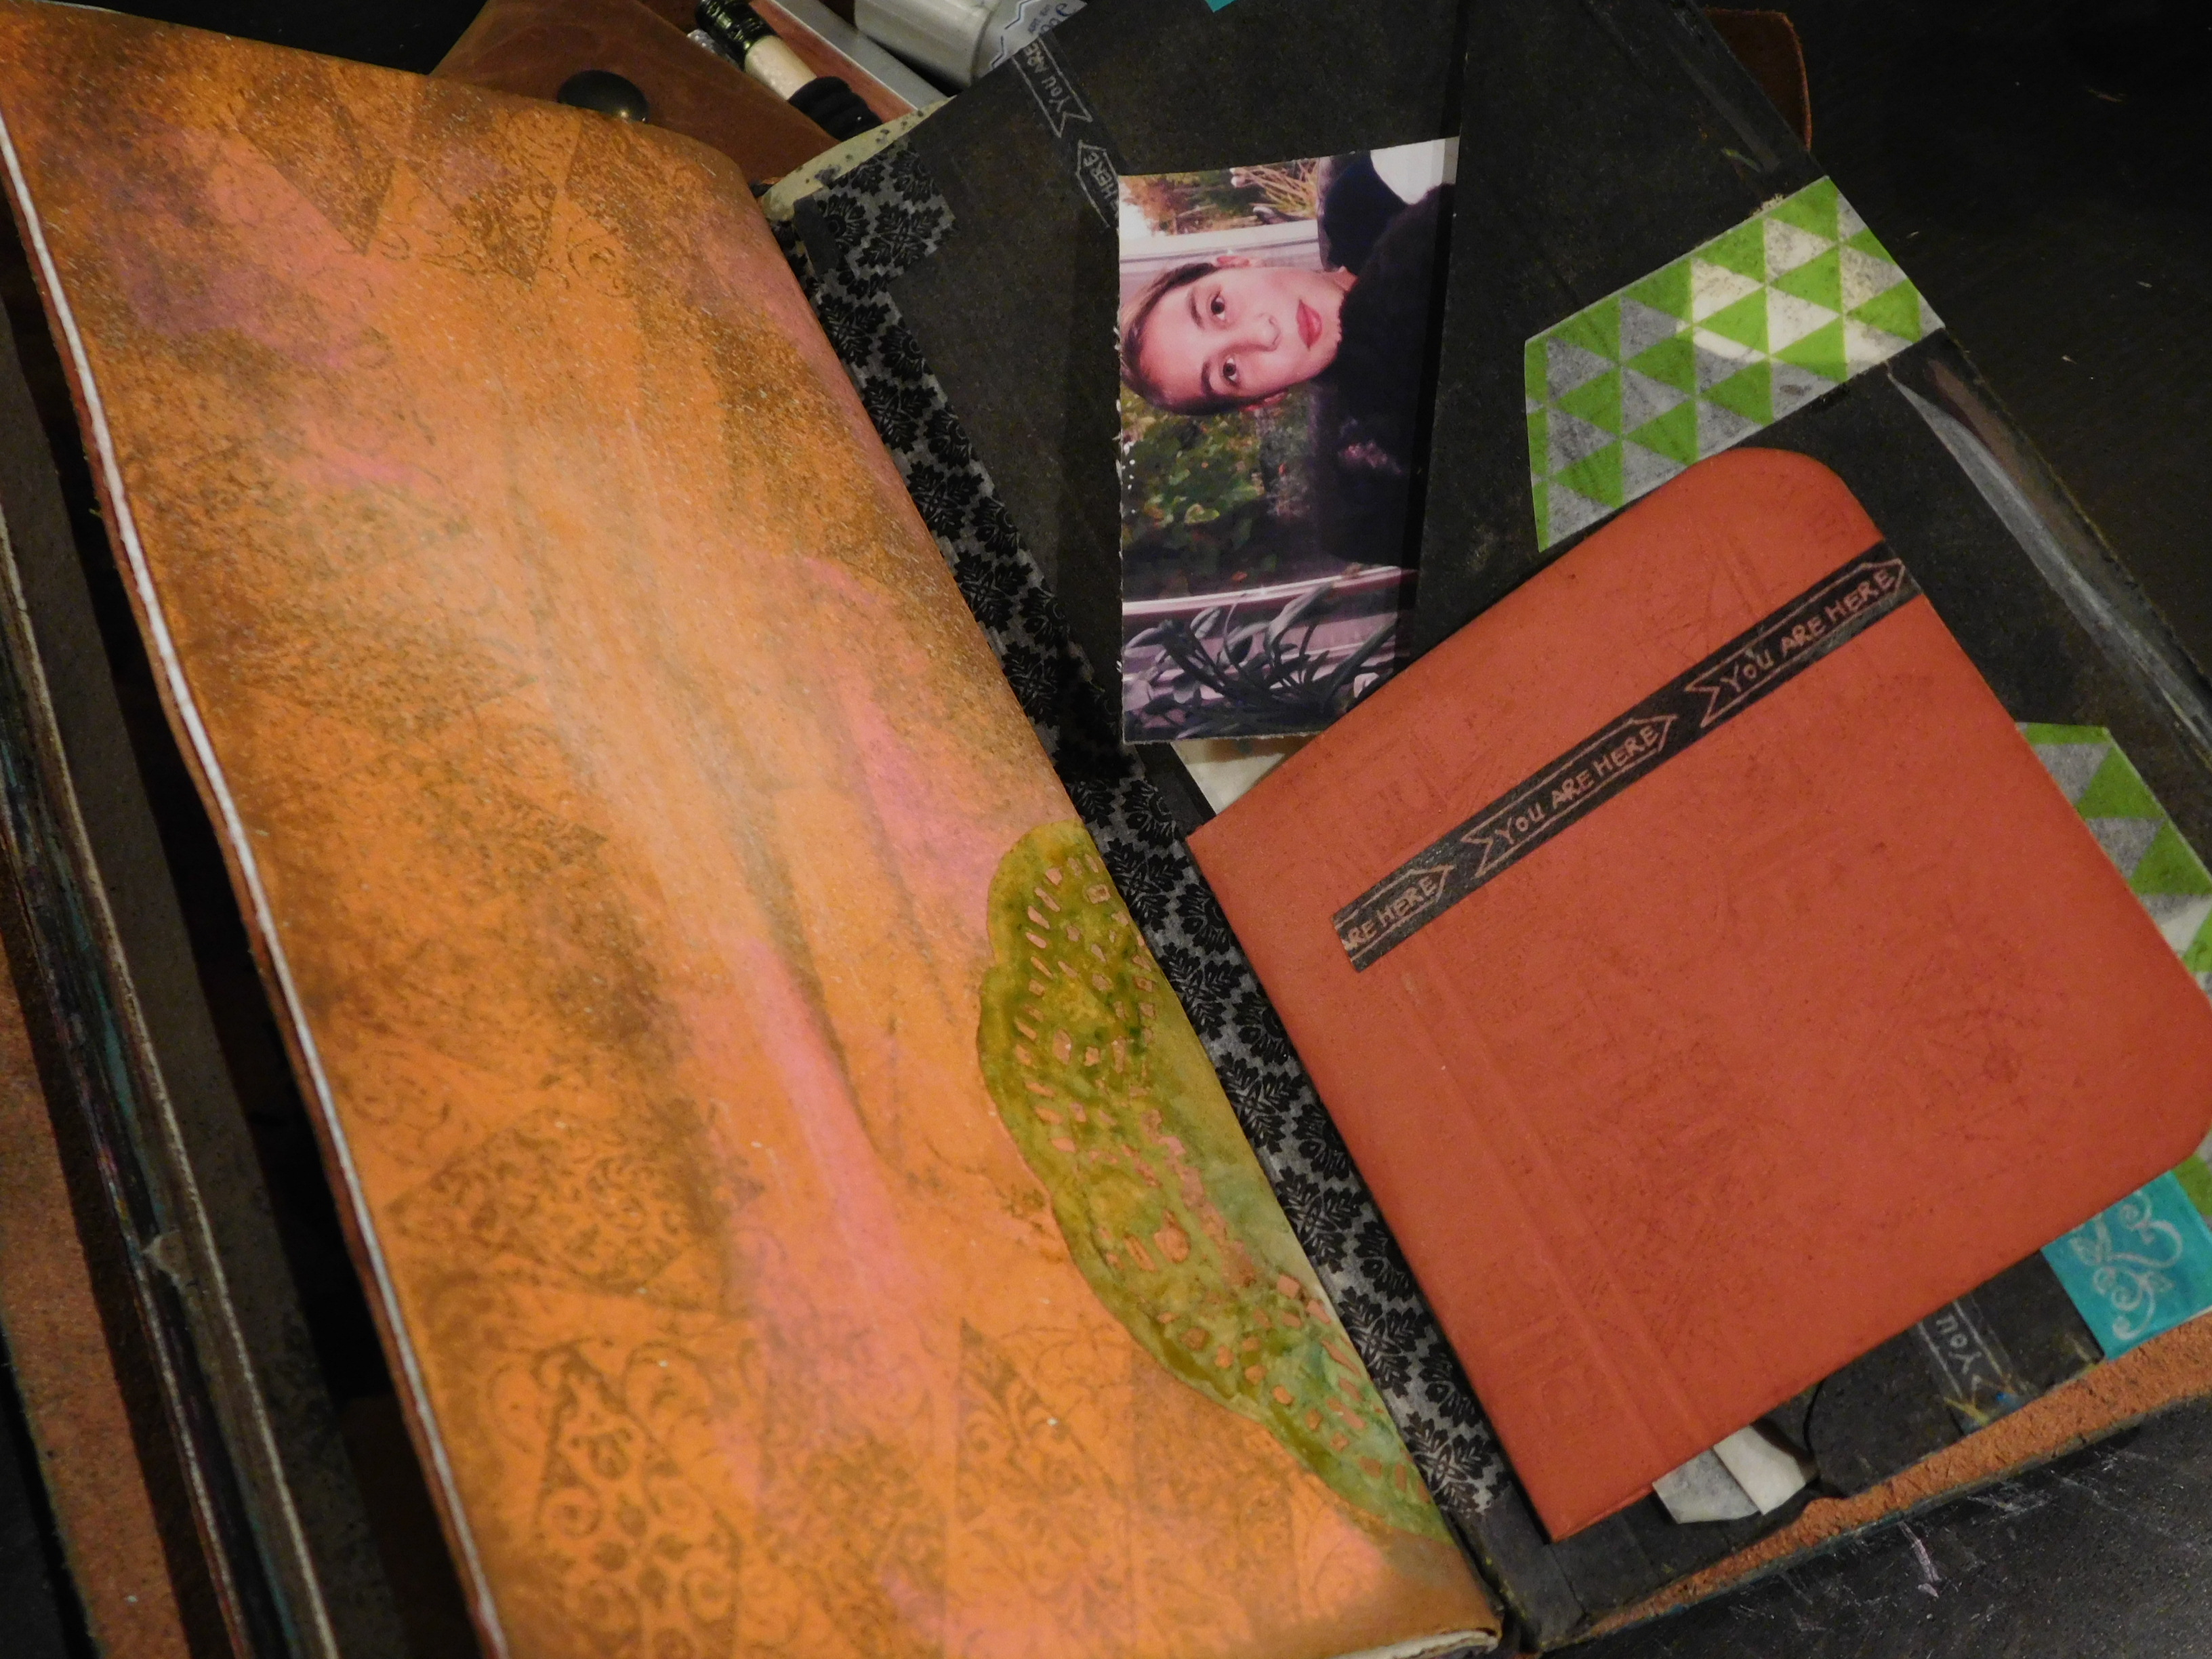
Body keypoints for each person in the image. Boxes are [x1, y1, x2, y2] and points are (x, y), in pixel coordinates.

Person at [1118, 147, 1451, 564]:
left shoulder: (1373, 192)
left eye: (1218, 307)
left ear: (1238, 263)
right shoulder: (1386, 444)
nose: (1265, 333)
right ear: (1263, 399)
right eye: (1230, 370)